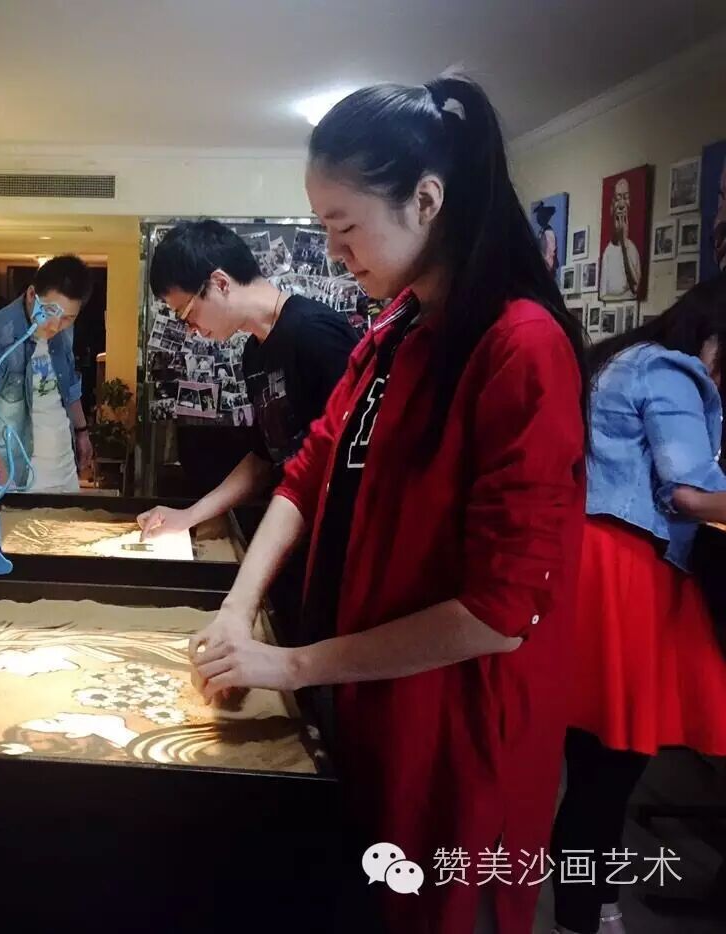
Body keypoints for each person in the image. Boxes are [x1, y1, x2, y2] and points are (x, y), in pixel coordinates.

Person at [188, 76, 589, 934]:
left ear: (427, 200)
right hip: (368, 698)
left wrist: (292, 666)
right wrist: (237, 609)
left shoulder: (520, 346)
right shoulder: (396, 327)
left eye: (346, 227)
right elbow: (307, 471)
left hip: (456, 732)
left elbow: (499, 613)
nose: (336, 254)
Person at [550, 277, 726, 934]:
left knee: (592, 769)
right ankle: (584, 916)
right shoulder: (673, 372)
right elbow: (690, 494)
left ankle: (592, 906)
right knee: (607, 775)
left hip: (589, 567)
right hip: (626, 575)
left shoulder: (621, 358)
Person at [136, 220, 357, 541]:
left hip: (339, 534)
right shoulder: (254, 353)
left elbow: (357, 454)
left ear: (220, 283)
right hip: (296, 532)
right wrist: (187, 516)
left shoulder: (315, 333)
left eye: (186, 312)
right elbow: (264, 458)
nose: (190, 329)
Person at [0, 256, 92, 493]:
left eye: (67, 318)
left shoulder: (64, 329)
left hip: (64, 470)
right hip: (19, 477)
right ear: (32, 294)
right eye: (50, 311)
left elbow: (69, 384)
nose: (55, 325)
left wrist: (82, 432)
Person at [600, 178, 643, 301]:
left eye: (626, 197)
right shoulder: (608, 253)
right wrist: (625, 295)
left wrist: (624, 243)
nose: (622, 204)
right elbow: (603, 295)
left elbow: (635, 287)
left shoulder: (632, 249)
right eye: (618, 198)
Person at [533, 201, 559, 275]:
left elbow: (551, 252)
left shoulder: (549, 232)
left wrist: (548, 268)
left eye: (540, 216)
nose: (538, 218)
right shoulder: (541, 231)